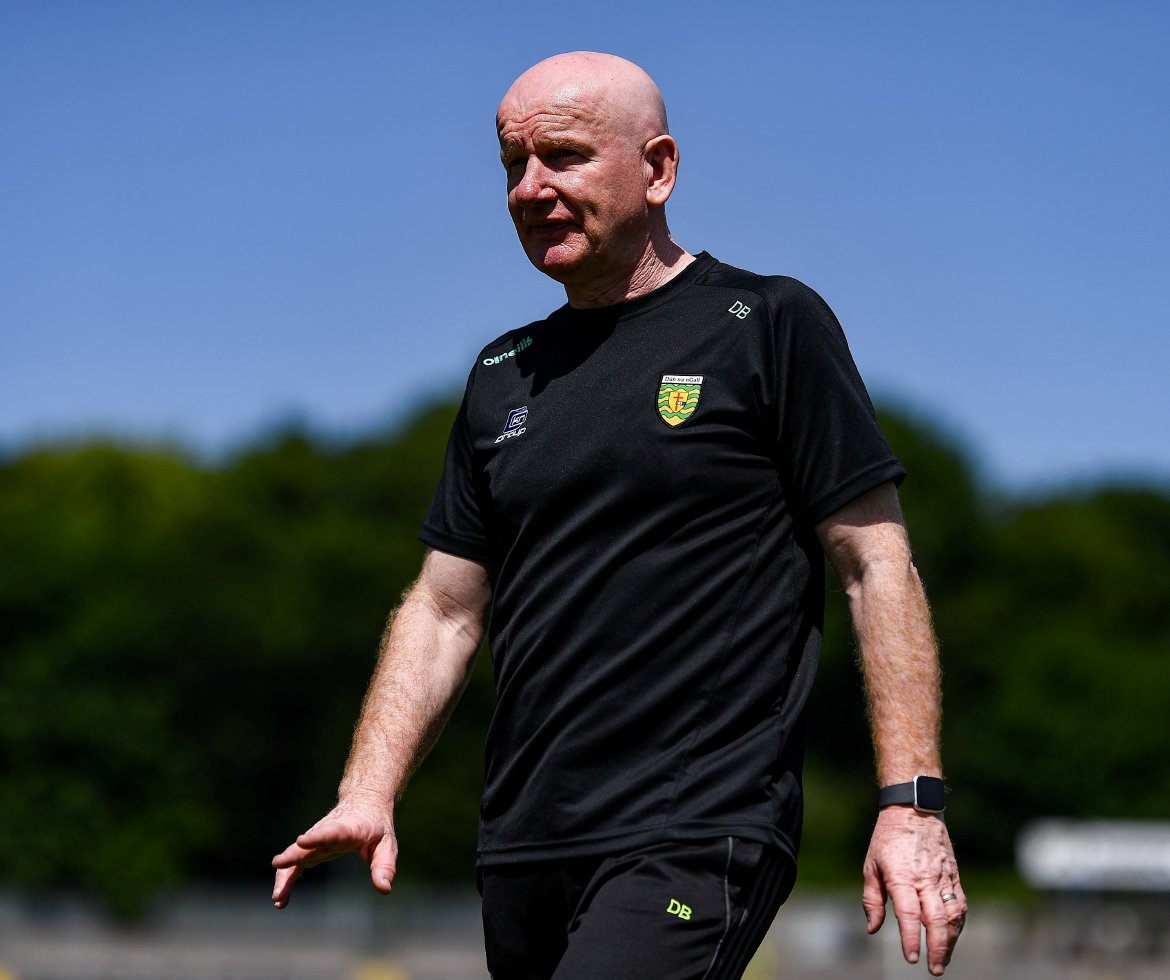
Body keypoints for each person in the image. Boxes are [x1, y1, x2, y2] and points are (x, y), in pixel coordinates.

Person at [272, 51, 967, 978]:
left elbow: (875, 564)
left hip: (695, 824)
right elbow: (443, 609)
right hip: (523, 840)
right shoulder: (501, 374)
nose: (531, 188)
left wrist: (911, 803)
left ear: (658, 169)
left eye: (563, 156)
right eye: (513, 164)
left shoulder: (767, 323)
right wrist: (368, 790)